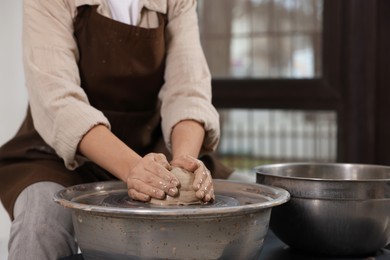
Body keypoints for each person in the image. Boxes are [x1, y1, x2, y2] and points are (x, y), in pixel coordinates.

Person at [0, 0, 232, 259]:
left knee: (238, 211)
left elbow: (188, 90)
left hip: (151, 151)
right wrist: (133, 169)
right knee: (40, 224)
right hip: (58, 154)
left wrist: (183, 167)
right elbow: (58, 102)